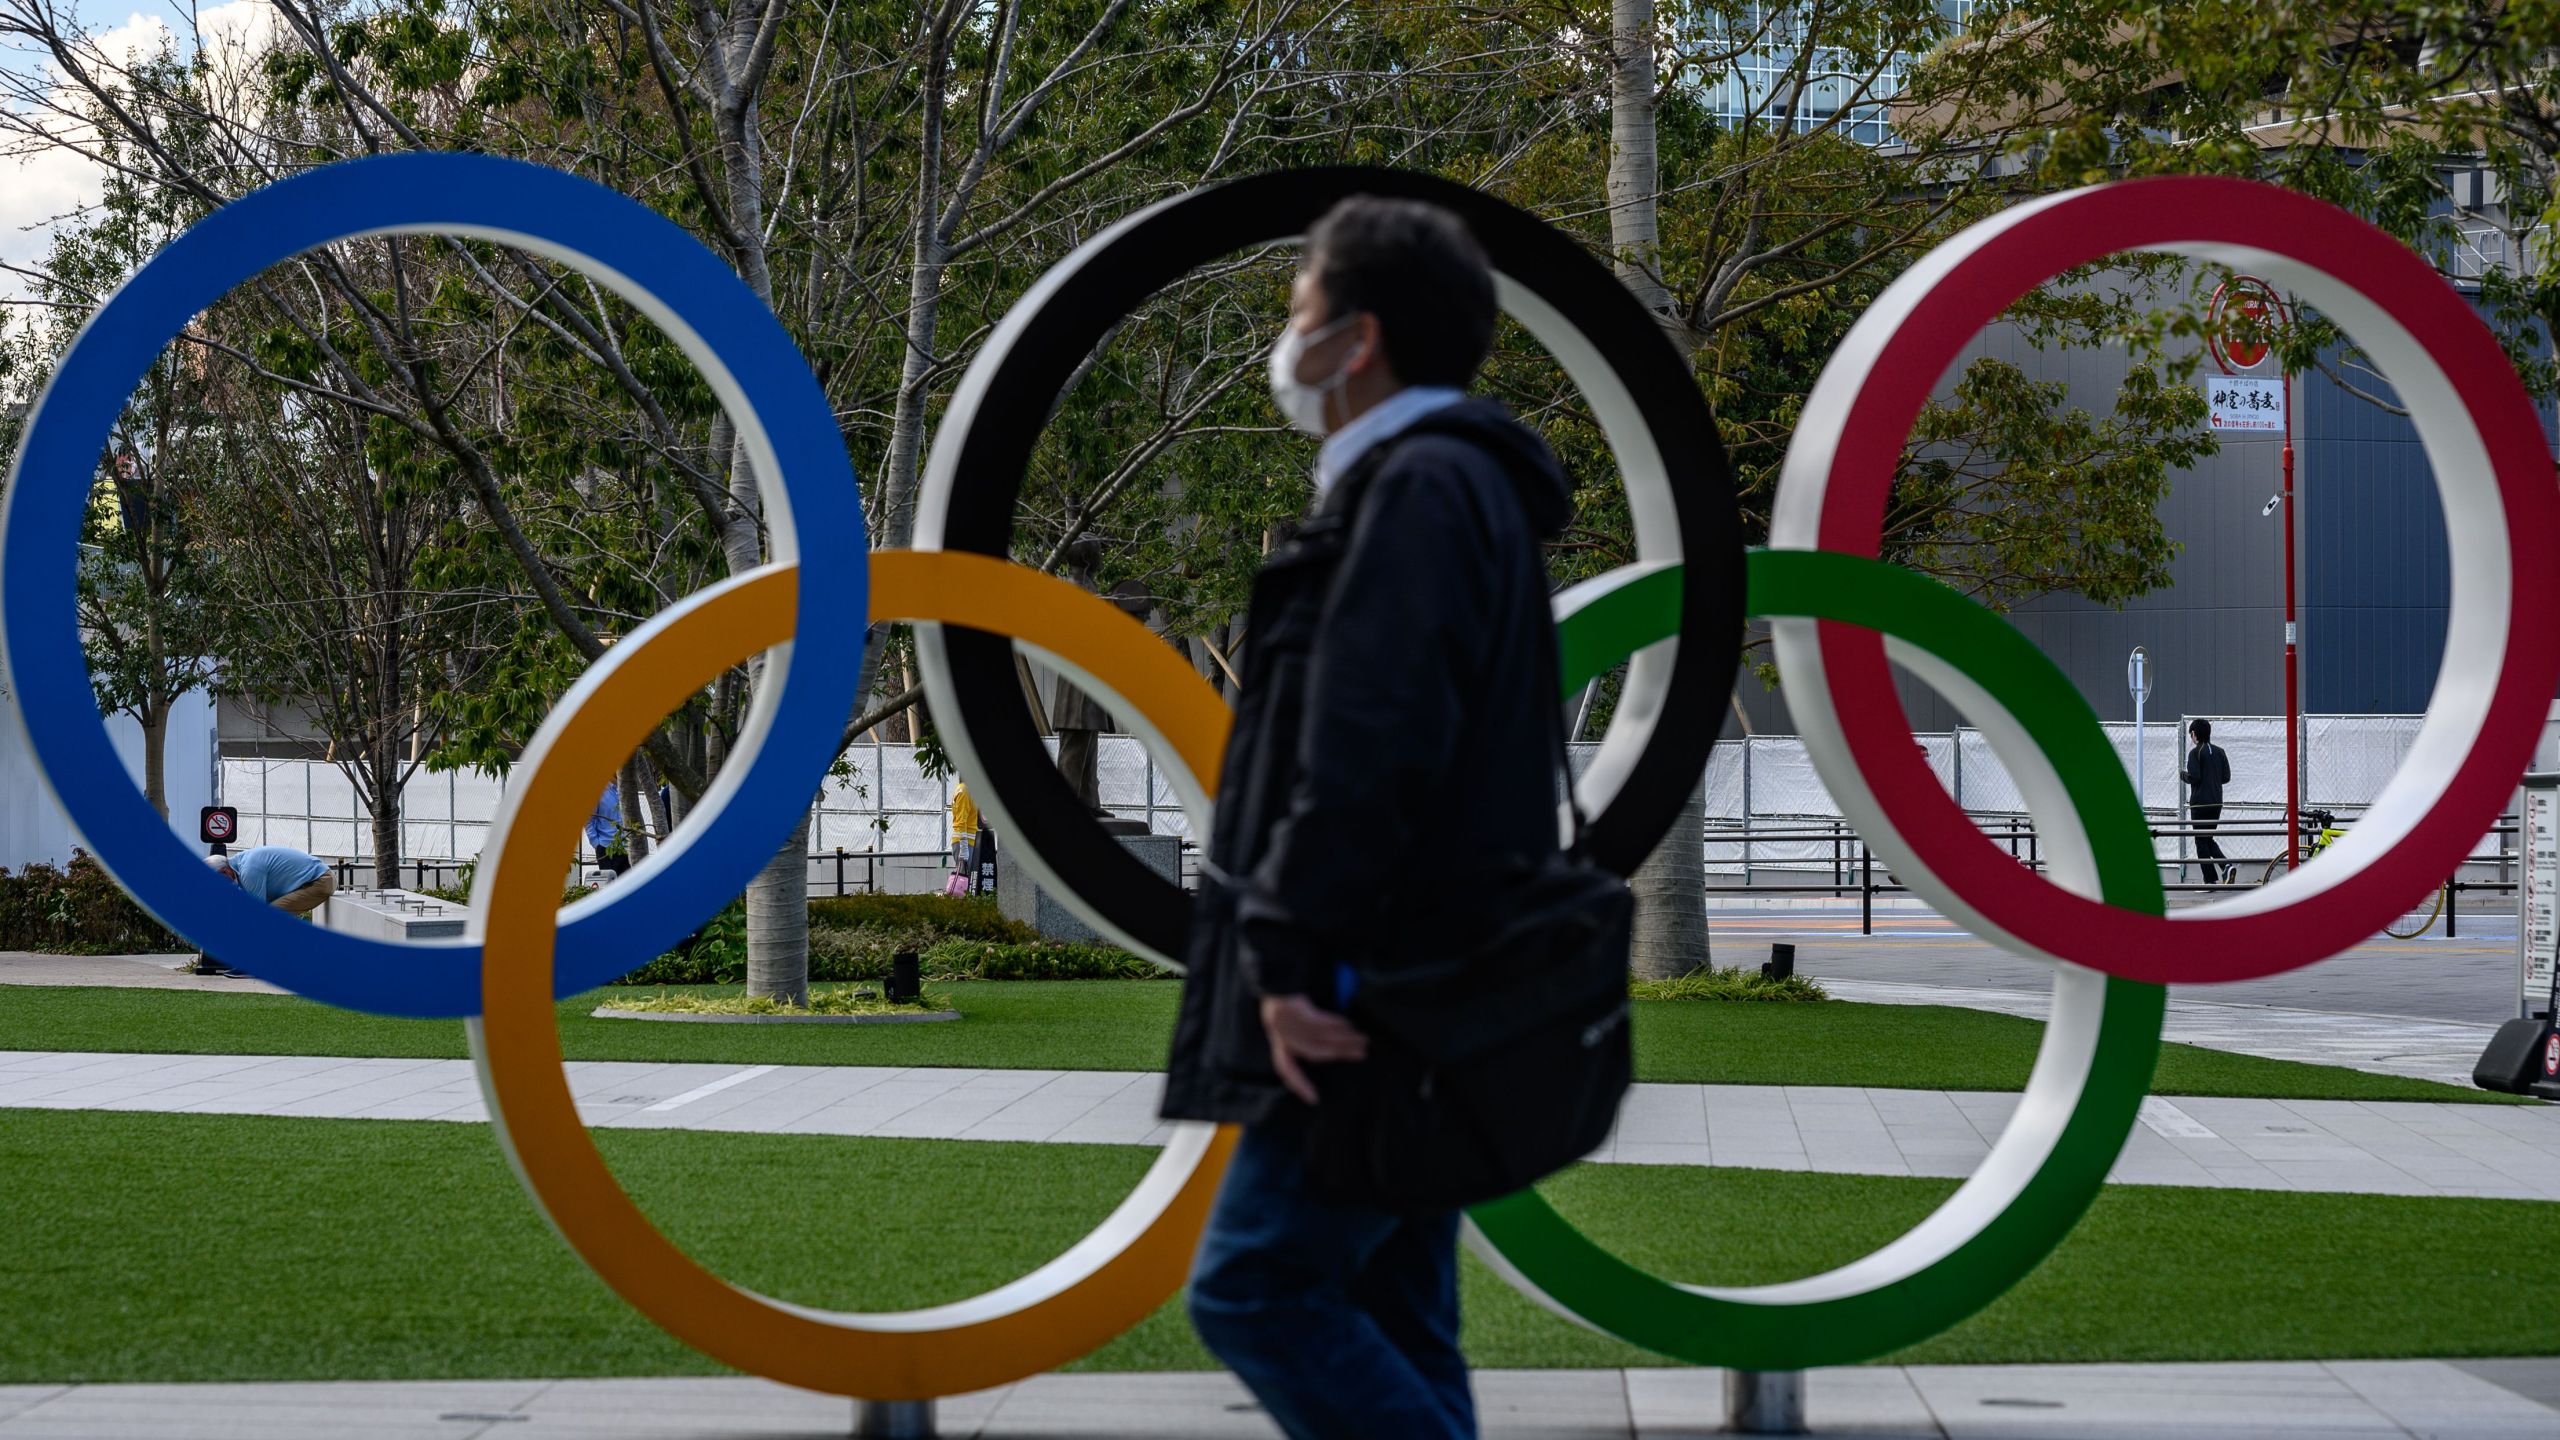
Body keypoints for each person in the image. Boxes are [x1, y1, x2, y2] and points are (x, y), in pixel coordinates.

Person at [1161, 195, 1572, 1440]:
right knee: (1396, 1309)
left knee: (1257, 1289)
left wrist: (1287, 960)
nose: (1286, 341)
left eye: (1299, 310)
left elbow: (1363, 751)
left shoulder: (1419, 491)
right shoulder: (1452, 488)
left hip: (1362, 990)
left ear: (1360, 339)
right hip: (1421, 980)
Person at [207, 845, 336, 915]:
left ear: (225, 871)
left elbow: (258, 913)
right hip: (316, 878)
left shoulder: (248, 871)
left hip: (320, 881)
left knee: (270, 915)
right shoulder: (241, 865)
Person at [2184, 718, 2232, 884]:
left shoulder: (2195, 752)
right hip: (2216, 802)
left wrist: (2184, 775)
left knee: (2200, 840)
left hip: (2200, 803)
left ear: (2194, 734)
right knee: (2207, 838)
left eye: (2191, 734)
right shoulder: (2220, 751)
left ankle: (2210, 880)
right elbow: (2226, 777)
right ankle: (2226, 867)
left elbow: (2195, 777)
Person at [587, 784, 630, 878]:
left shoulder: (623, 789)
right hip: (606, 848)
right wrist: (596, 844)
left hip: (625, 847)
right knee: (610, 885)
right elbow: (588, 820)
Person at [948, 780, 982, 892]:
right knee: (962, 881)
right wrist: (963, 847)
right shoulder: (965, 791)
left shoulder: (967, 790)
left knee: (965, 880)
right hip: (964, 842)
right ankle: (958, 905)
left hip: (968, 842)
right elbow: (961, 821)